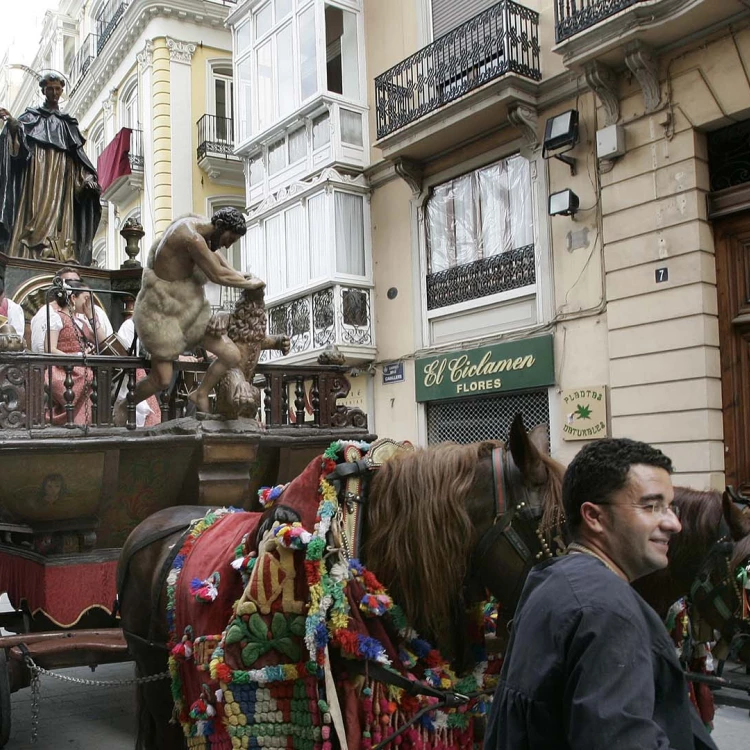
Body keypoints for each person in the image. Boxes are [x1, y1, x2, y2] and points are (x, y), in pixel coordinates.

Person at [485, 438, 718, 750]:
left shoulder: (556, 582)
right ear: (593, 516)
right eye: (651, 506)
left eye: (670, 507)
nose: (674, 523)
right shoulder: (607, 609)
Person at [117, 207, 263, 424]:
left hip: (189, 309)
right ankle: (124, 404)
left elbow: (218, 258)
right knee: (162, 379)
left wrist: (239, 274)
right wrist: (251, 282)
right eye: (229, 238)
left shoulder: (202, 228)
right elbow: (217, 273)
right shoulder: (191, 237)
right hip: (162, 312)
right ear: (221, 228)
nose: (228, 244)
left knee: (231, 354)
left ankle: (200, 393)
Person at [0, 73, 101, 264]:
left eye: (58, 89)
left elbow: (78, 159)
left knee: (60, 213)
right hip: (36, 172)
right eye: (50, 89)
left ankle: (59, 250)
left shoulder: (67, 124)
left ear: (62, 91)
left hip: (62, 176)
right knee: (35, 211)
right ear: (43, 91)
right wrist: (14, 126)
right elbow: (19, 153)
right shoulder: (30, 117)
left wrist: (87, 178)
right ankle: (30, 252)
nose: (54, 93)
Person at [45, 279, 106, 425]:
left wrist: (91, 317)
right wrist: (77, 357)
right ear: (73, 298)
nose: (88, 304)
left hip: (81, 367)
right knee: (90, 376)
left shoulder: (82, 322)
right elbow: (50, 348)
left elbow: (103, 340)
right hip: (63, 369)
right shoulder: (57, 317)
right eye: (86, 299)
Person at [31, 266, 113, 353]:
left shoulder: (95, 311)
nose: (73, 286)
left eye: (77, 283)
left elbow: (107, 345)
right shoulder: (47, 313)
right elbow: (40, 349)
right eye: (68, 283)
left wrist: (92, 318)